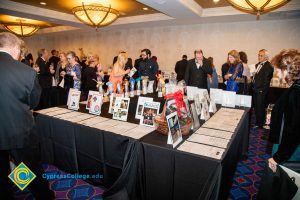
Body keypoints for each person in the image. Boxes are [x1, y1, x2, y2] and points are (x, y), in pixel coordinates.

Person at [0, 32, 54, 199]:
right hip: (19, 130)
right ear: (15, 47)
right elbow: (34, 103)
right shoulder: (27, 72)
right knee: (30, 167)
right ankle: (44, 196)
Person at [267, 49, 300, 172]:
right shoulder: (296, 86)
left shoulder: (296, 92)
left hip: (289, 150)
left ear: (286, 70)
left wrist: (278, 158)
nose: (278, 74)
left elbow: (293, 129)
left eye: (278, 71)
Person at [252, 49, 274, 129]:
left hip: (261, 90)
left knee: (260, 108)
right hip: (255, 89)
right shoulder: (258, 65)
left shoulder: (269, 66)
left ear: (266, 57)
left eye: (261, 55)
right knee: (257, 107)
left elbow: (266, 80)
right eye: (258, 55)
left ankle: (259, 124)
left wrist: (261, 90)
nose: (259, 57)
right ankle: (257, 122)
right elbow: (257, 77)